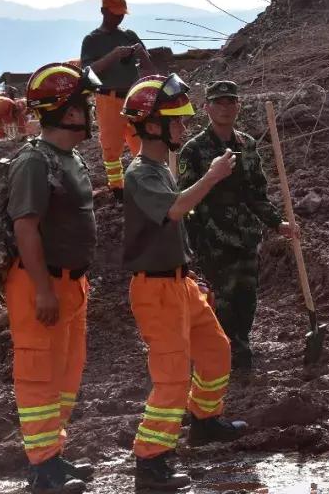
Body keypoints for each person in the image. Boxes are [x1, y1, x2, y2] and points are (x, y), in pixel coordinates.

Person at [122, 73, 248, 490]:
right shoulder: (141, 172)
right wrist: (211, 176)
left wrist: (185, 267)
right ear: (152, 124)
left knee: (215, 351)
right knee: (172, 376)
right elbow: (173, 212)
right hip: (156, 291)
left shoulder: (159, 168)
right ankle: (151, 461)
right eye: (176, 120)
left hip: (178, 283)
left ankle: (205, 421)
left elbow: (169, 227)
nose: (183, 127)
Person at [6, 63, 101, 492]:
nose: (91, 109)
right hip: (38, 286)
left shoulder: (72, 157)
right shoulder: (33, 161)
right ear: (64, 110)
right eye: (84, 102)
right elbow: (25, 227)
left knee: (65, 375)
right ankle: (42, 469)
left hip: (71, 284)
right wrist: (44, 289)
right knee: (39, 376)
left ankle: (55, 456)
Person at [177, 81, 300, 371]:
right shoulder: (193, 150)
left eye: (230, 102)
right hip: (211, 237)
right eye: (218, 103)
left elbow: (257, 192)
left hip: (246, 235)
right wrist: (187, 243)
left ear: (238, 107)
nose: (224, 108)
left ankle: (240, 349)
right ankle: (218, 354)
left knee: (246, 296)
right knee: (221, 299)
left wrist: (276, 222)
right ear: (206, 107)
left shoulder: (247, 144)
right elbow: (184, 200)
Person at [80, 0, 153, 201]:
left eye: (122, 15)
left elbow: (149, 67)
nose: (119, 19)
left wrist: (141, 54)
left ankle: (146, 181)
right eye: (115, 15)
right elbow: (88, 71)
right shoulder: (92, 40)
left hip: (133, 97)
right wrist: (113, 55)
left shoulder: (129, 35)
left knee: (143, 141)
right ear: (103, 12)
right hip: (108, 98)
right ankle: (117, 188)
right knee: (112, 146)